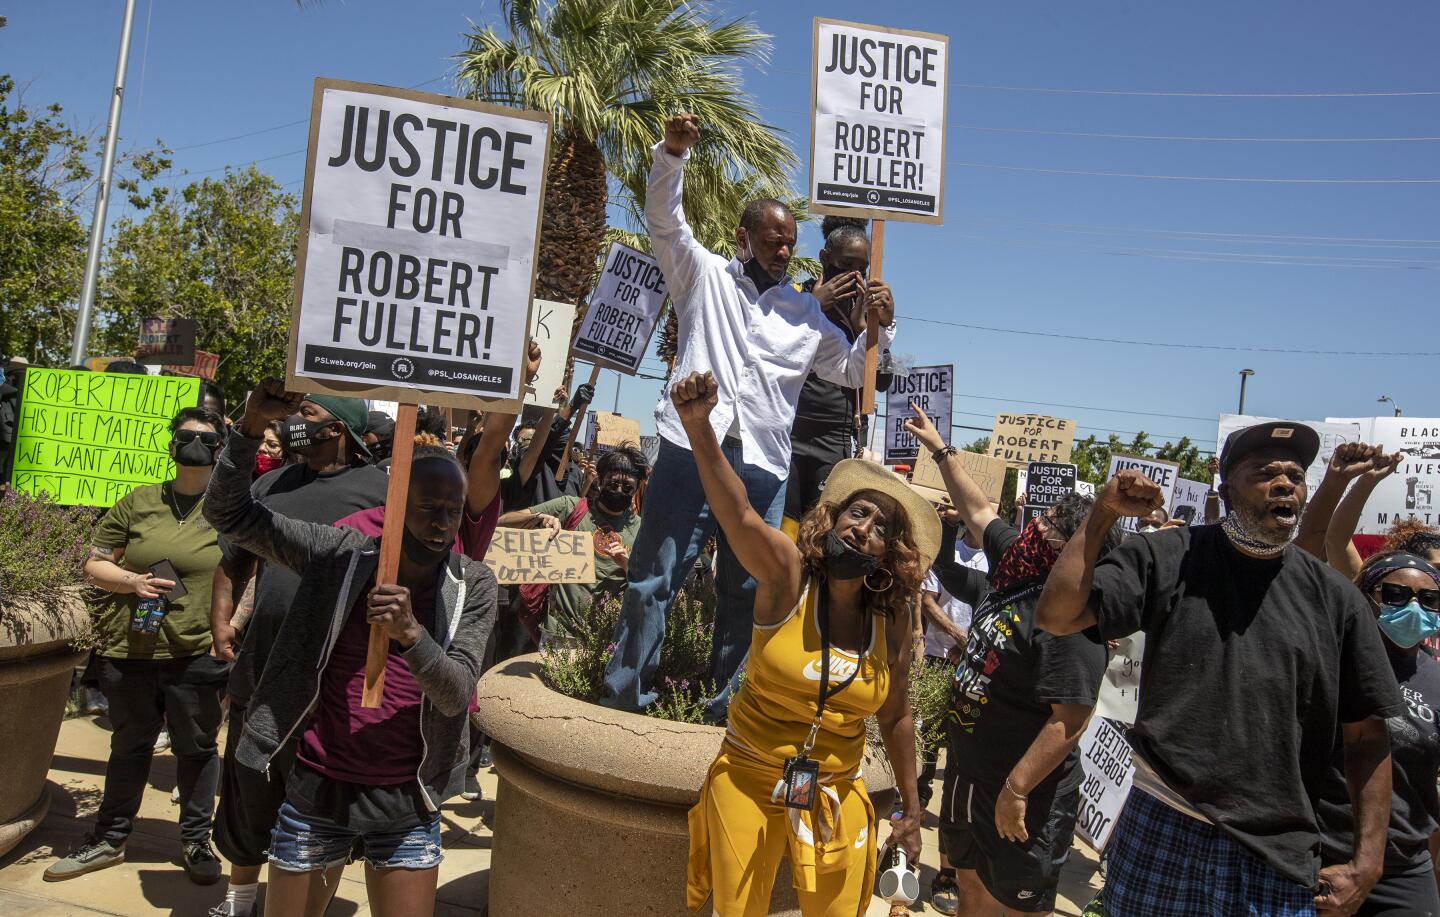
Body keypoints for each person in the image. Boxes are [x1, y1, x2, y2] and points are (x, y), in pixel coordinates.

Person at [1035, 420, 1404, 916]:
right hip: (1162, 826)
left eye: (1295, 475)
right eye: (1265, 471)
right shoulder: (1170, 556)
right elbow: (1057, 614)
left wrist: (1368, 860)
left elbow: (1366, 736)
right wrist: (1101, 515)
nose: (1284, 483)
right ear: (1227, 485)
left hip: (1274, 850)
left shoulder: (1336, 600)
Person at [604, 112, 896, 719]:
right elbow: (665, 219)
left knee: (750, 592)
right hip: (690, 450)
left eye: (789, 241)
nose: (782, 248)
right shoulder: (702, 275)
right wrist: (672, 155)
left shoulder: (806, 313)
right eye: (771, 239)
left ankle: (729, 713)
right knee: (654, 579)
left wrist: (878, 328)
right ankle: (625, 705)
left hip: (763, 467)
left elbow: (851, 375)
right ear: (743, 237)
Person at [203, 379, 497, 917]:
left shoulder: (471, 584)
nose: (442, 522)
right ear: (396, 503)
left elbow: (456, 695)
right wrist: (248, 430)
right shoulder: (341, 554)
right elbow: (230, 517)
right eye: (429, 506)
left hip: (408, 799)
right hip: (319, 784)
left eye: (452, 510)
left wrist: (411, 635)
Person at [671, 371, 936, 916]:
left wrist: (911, 808)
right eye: (856, 512)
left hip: (837, 790)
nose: (864, 527)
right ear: (832, 519)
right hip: (748, 775)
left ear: (889, 553)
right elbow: (739, 514)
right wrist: (700, 428)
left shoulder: (890, 619)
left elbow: (897, 716)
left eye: (881, 526)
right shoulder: (788, 576)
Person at [907, 405, 1121, 917]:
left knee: (1015, 908)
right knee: (971, 892)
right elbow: (979, 511)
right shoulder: (1018, 569)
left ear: (1071, 554)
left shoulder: (1071, 623)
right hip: (970, 777)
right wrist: (940, 451)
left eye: (1046, 526)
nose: (1031, 526)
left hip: (1021, 798)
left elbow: (1069, 720)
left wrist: (1017, 789)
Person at [207, 393, 388, 917]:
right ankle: (240, 898)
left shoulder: (380, 492)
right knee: (246, 790)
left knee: (319, 806)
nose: (291, 423)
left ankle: (309, 906)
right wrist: (222, 623)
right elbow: (232, 560)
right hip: (259, 667)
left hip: (330, 682)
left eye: (306, 415)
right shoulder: (268, 485)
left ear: (340, 430)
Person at [46, 406, 230, 884]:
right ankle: (108, 839)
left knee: (197, 749)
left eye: (206, 439)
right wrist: (129, 581)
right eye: (186, 436)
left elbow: (250, 573)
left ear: (221, 451)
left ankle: (195, 841)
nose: (194, 445)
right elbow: (94, 561)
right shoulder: (140, 501)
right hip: (131, 649)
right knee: (129, 746)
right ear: (171, 446)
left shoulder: (230, 509)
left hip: (196, 651)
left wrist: (232, 629)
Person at [1314, 551, 1440, 915]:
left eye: (1429, 599)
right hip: (1324, 854)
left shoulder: (1436, 680)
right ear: (1367, 597)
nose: (1414, 607)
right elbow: (1320, 539)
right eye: (1397, 595)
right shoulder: (1333, 660)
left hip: (1403, 865)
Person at [782, 218, 896, 532]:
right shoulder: (796, 296)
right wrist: (813, 307)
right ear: (824, 258)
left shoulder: (868, 311)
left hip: (836, 439)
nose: (855, 275)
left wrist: (871, 330)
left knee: (818, 530)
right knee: (784, 529)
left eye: (863, 268)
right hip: (789, 432)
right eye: (846, 265)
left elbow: (880, 382)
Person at [497, 443, 649, 643]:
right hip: (559, 635)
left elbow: (648, 586)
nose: (619, 490)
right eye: (613, 484)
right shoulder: (571, 507)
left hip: (607, 640)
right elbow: (503, 521)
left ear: (637, 488)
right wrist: (540, 518)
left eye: (627, 487)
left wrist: (626, 564)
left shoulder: (641, 530)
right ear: (600, 480)